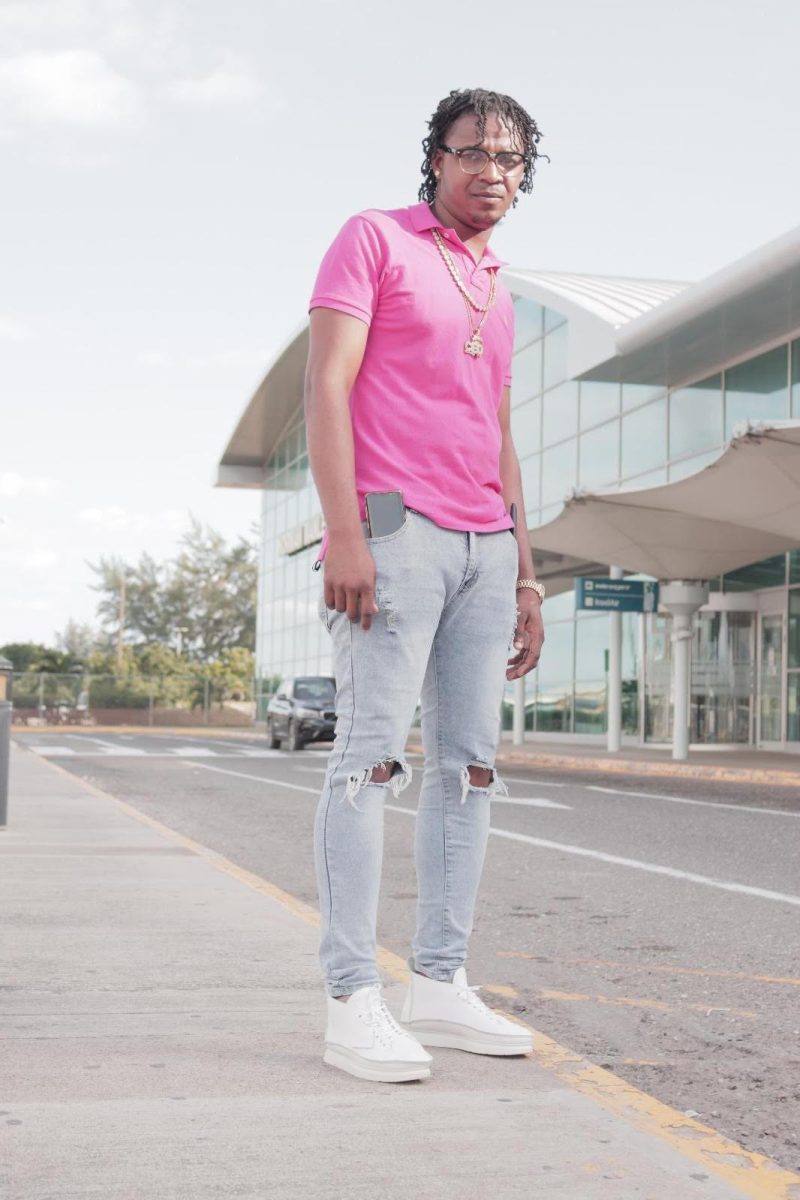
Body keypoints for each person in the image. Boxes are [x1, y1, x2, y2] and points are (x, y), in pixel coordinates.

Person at [304, 88, 546, 1083]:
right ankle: (350, 997)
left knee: (469, 769)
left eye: (511, 157)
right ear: (436, 158)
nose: (492, 169)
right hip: (395, 533)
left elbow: (499, 435)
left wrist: (527, 572)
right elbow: (325, 385)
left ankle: (439, 983)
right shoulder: (374, 239)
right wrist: (344, 531)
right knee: (369, 760)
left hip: (486, 546)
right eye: (473, 150)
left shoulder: (500, 289)